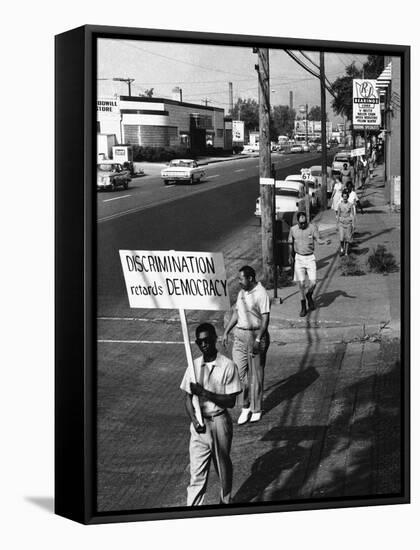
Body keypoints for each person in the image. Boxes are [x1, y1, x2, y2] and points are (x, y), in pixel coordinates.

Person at [180, 322, 241, 506]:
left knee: (222, 467)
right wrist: (194, 420)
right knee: (197, 474)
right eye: (200, 342)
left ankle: (225, 501)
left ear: (214, 339)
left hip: (219, 422)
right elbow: (187, 399)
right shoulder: (193, 366)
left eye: (207, 340)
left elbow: (230, 401)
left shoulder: (228, 365)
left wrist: (204, 393)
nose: (204, 344)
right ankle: (192, 511)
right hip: (199, 425)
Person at [222, 266, 270, 425]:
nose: (239, 282)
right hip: (240, 335)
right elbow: (237, 312)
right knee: (238, 373)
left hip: (256, 334)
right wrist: (227, 331)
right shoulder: (242, 292)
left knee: (256, 374)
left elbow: (265, 319)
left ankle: (256, 408)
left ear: (250, 278)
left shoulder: (261, 294)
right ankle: (245, 406)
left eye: (241, 279)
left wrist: (258, 340)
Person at [288, 211, 331, 317]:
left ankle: (309, 294)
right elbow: (290, 243)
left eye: (304, 222)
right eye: (301, 223)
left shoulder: (312, 228)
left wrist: (324, 241)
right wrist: (291, 256)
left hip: (310, 257)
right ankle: (303, 306)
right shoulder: (293, 230)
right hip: (299, 258)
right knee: (301, 284)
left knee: (313, 283)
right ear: (297, 222)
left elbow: (318, 239)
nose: (303, 225)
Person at [337, 189, 354, 256]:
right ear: (342, 197)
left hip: (348, 223)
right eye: (343, 196)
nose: (345, 198)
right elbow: (338, 215)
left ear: (347, 197)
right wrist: (337, 224)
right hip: (341, 223)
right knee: (341, 238)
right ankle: (342, 248)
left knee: (347, 239)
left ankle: (346, 252)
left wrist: (353, 224)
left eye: (346, 196)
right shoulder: (340, 205)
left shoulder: (350, 205)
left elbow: (352, 214)